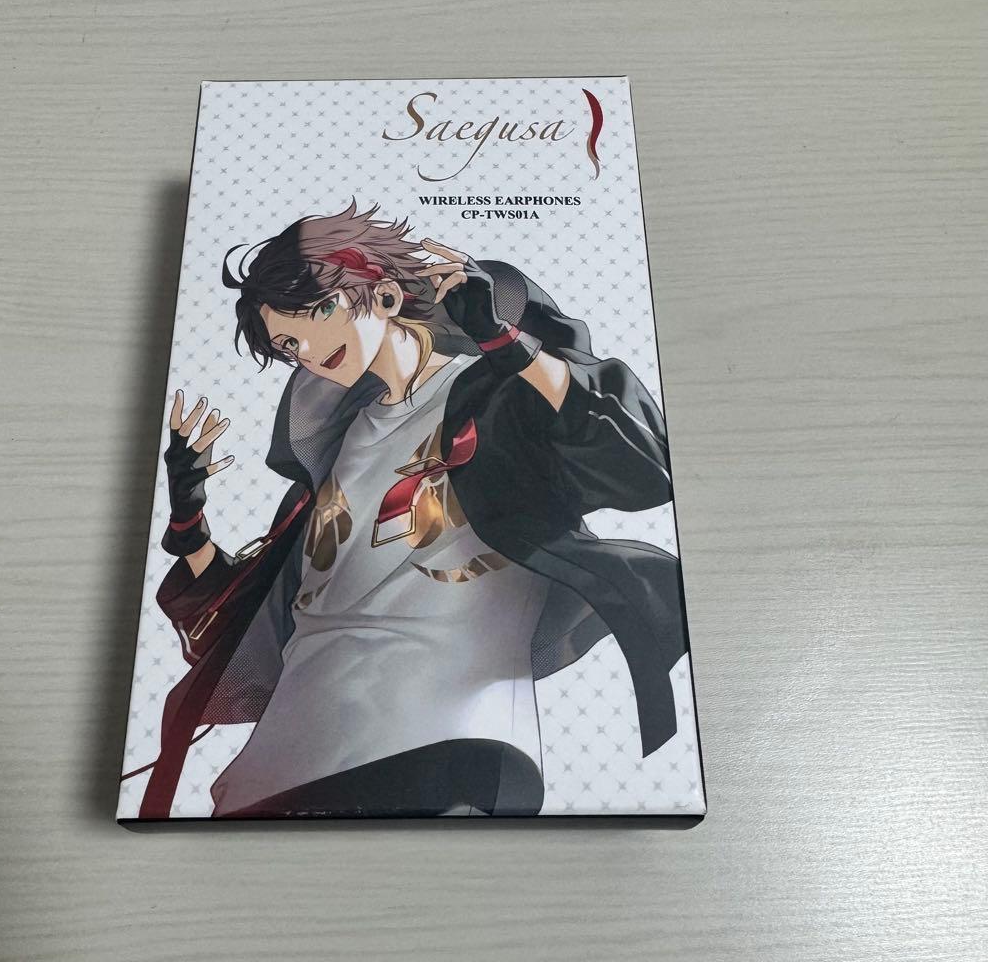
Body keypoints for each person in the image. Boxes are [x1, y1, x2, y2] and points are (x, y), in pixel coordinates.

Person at [139, 200, 688, 818]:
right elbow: (246, 629)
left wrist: (506, 344)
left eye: (316, 312)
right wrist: (188, 522)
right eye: (288, 343)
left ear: (384, 293)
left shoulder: (496, 395)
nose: (308, 348)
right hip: (279, 768)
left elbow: (647, 466)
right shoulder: (338, 449)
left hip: (440, 743)